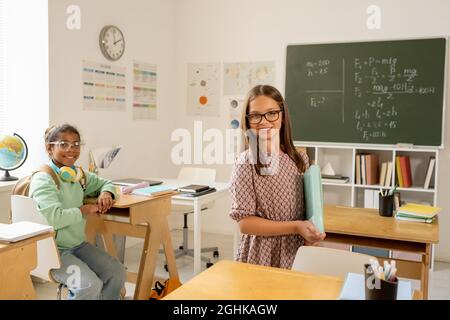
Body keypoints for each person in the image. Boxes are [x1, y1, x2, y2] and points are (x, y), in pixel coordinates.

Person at [229, 85, 326, 269]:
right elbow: (245, 223)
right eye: (256, 115)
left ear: (282, 115)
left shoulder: (299, 159)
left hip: (297, 251)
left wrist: (312, 232)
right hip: (261, 255)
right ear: (247, 122)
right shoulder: (245, 164)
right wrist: (296, 227)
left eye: (271, 113)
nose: (264, 121)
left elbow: (308, 210)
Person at [29, 124, 126, 300]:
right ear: (50, 148)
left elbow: (106, 183)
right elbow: (53, 219)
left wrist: (106, 192)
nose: (71, 150)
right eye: (64, 144)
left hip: (77, 245)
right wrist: (84, 210)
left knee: (116, 271)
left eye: (76, 144)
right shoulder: (43, 178)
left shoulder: (76, 175)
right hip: (53, 251)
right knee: (89, 286)